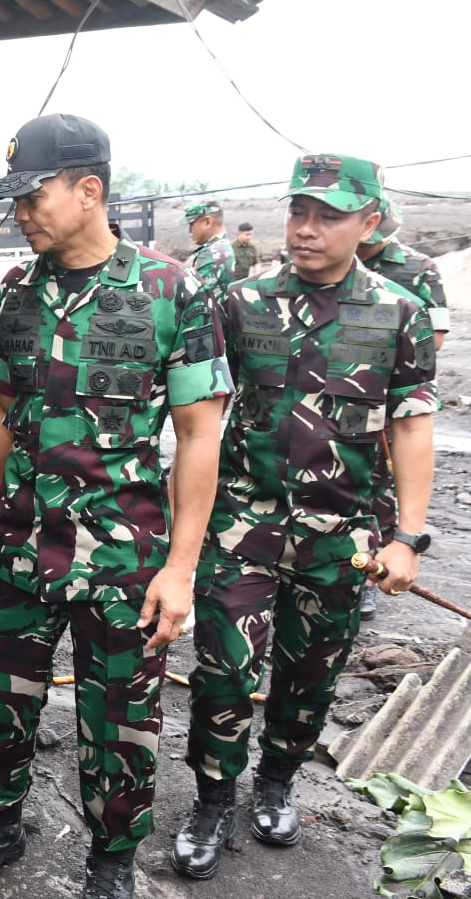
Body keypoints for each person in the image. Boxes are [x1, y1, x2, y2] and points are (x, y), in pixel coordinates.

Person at [0, 113, 233, 899]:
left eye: (32, 196)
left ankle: (110, 863)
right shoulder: (17, 292)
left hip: (121, 557)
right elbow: (1, 407)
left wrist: (180, 569)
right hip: (18, 547)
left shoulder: (170, 290)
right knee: (1, 699)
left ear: (89, 189)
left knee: (122, 723)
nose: (21, 213)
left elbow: (199, 435)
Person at [172, 154, 438, 882]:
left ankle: (277, 781)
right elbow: (202, 417)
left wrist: (408, 537)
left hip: (342, 532)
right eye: (299, 212)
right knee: (224, 670)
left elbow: (412, 424)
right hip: (242, 525)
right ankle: (212, 798)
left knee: (310, 675)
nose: (308, 228)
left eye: (330, 216)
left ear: (369, 222)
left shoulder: (397, 310)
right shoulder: (241, 301)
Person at [354, 197, 450, 620]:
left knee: (381, 487)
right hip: (333, 396)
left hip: (389, 393)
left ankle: (367, 578)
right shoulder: (323, 259)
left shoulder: (419, 268)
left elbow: (438, 334)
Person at [184, 199, 237, 294]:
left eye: (191, 224)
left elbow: (190, 296)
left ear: (207, 222)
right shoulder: (219, 248)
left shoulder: (213, 254)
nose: (189, 231)